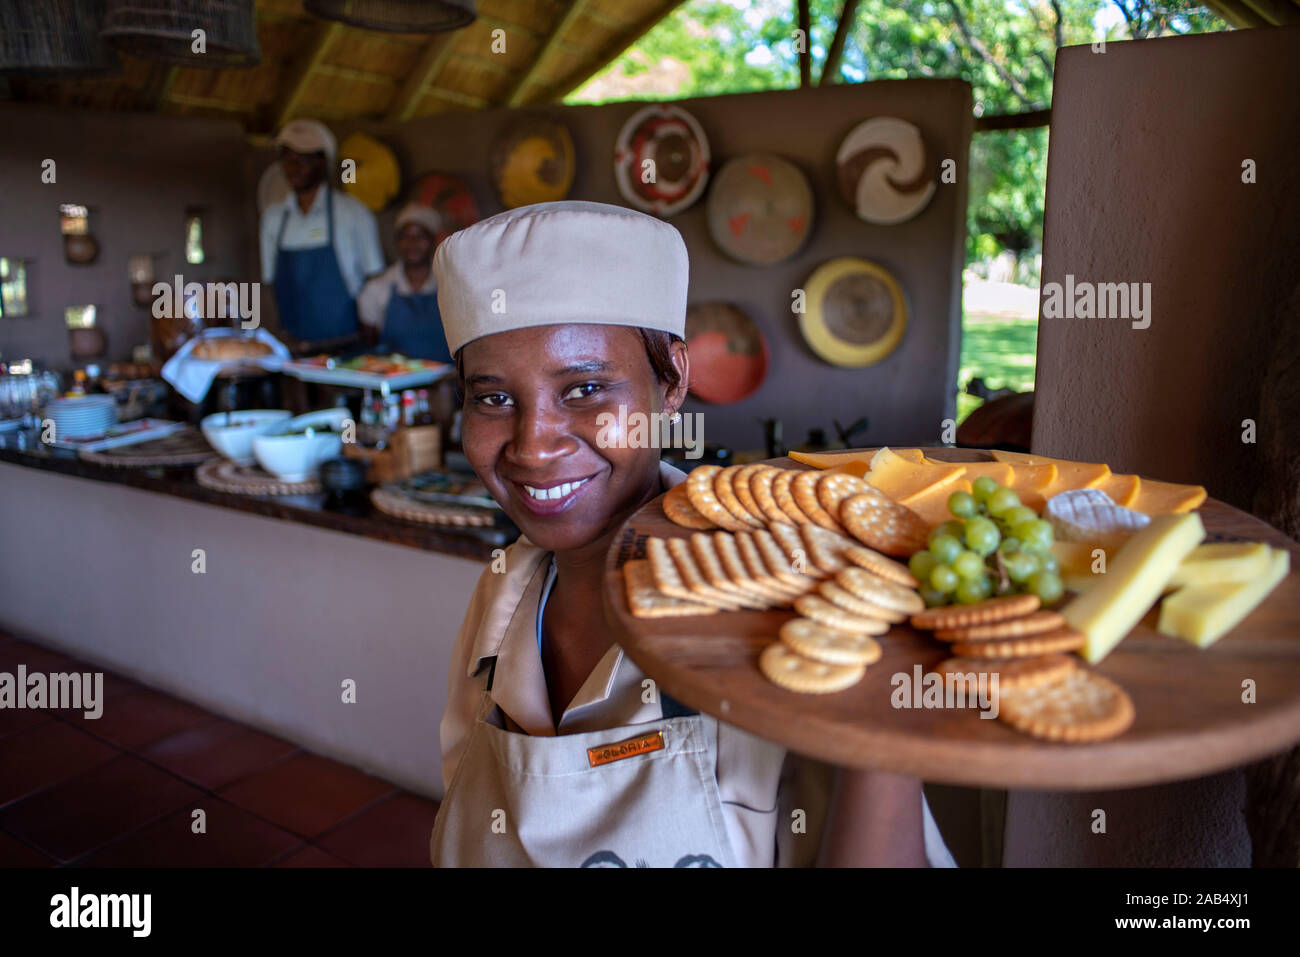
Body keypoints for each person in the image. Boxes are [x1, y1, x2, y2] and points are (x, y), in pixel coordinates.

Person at [429, 201, 955, 868]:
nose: (532, 447)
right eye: (494, 398)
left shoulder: (789, 616)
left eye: (586, 388)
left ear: (673, 378)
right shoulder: (500, 598)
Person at [258, 118, 384, 347]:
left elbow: (376, 281)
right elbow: (270, 283)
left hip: (348, 345)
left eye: (302, 160)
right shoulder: (274, 218)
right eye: (287, 160)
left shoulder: (354, 214)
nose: (293, 168)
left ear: (324, 162)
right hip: (294, 347)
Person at [356, 203, 452, 362]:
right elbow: (369, 344)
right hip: (395, 379)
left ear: (433, 240)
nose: (412, 243)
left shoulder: (450, 285)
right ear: (397, 241)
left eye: (420, 236)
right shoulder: (376, 289)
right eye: (405, 236)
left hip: (446, 382)